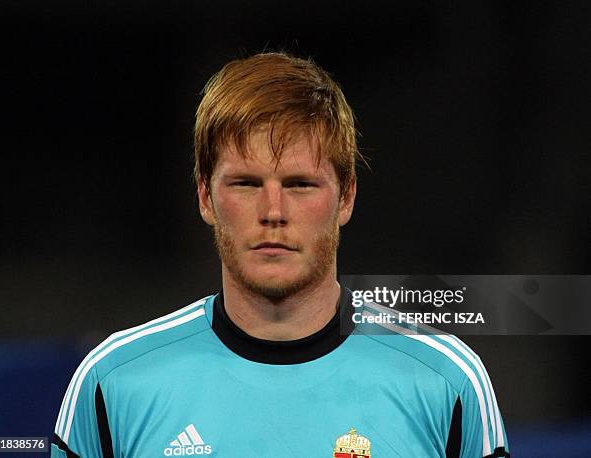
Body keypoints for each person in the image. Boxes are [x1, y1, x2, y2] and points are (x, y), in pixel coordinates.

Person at [51, 52, 510, 457]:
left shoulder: (446, 382)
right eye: (246, 184)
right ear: (205, 198)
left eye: (299, 184)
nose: (273, 212)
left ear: (346, 197)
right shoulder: (113, 383)